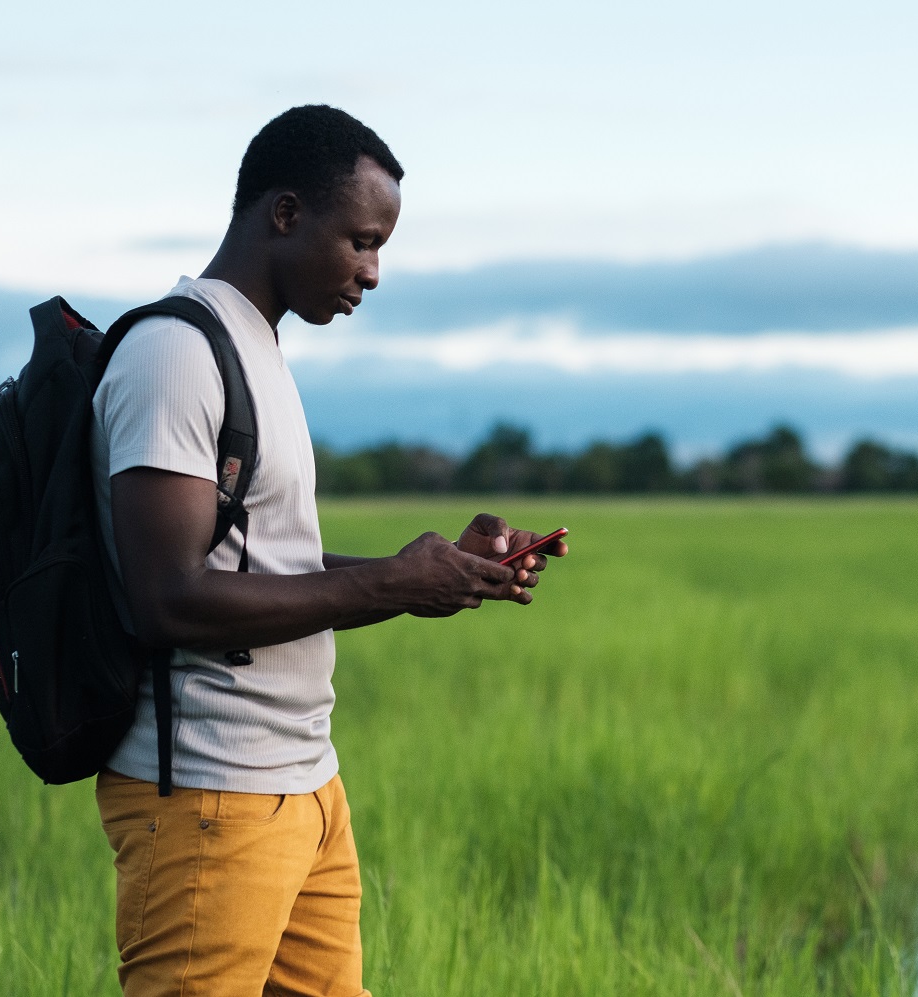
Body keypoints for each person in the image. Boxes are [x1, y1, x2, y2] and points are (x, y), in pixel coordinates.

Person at [90, 104, 564, 997]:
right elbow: (170, 597)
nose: (373, 273)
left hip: (305, 783)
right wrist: (392, 580)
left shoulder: (255, 348)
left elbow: (264, 562)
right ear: (284, 214)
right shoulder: (174, 354)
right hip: (210, 796)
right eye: (361, 241)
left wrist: (434, 569)